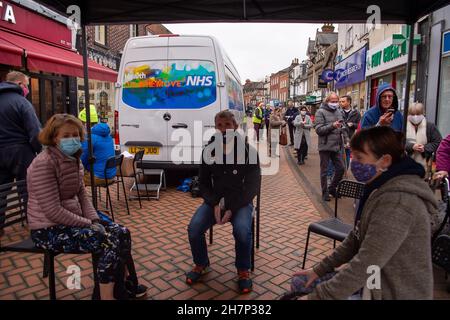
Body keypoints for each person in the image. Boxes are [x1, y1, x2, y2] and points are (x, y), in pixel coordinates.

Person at [293, 126, 437, 300]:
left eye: (360, 157)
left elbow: (367, 263)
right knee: (299, 283)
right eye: (353, 156)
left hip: (390, 291)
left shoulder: (398, 201)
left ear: (384, 161)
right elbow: (356, 238)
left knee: (301, 289)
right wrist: (319, 269)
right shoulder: (380, 186)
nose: (354, 163)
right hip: (375, 281)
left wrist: (317, 297)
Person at [26, 114, 147, 300]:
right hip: (48, 229)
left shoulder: (74, 159)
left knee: (122, 232)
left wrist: (95, 219)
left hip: (72, 219)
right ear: (53, 137)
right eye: (65, 136)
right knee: (107, 240)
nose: (72, 139)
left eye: (75, 135)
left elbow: (82, 195)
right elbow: (52, 210)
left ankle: (123, 285)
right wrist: (87, 224)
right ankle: (107, 297)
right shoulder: (44, 163)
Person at [186, 110, 261, 294]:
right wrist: (214, 204)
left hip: (241, 202)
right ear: (215, 128)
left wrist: (231, 207)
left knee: (242, 231)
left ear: (235, 126)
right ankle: (201, 263)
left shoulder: (249, 152)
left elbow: (252, 187)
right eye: (219, 126)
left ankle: (243, 270)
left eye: (227, 125)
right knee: (194, 229)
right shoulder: (208, 151)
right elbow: (202, 183)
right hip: (215, 202)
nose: (224, 129)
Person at [0, 71, 42, 234]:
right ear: (18, 84)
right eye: (26, 85)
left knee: (2, 190)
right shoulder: (22, 103)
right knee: (28, 189)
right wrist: (38, 150)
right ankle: (34, 224)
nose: (27, 89)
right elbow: (35, 132)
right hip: (21, 152)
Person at [314, 93, 348, 202]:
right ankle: (325, 193)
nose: (335, 103)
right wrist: (332, 126)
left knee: (341, 168)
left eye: (336, 101)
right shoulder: (320, 112)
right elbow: (319, 130)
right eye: (332, 101)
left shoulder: (338, 111)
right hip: (325, 145)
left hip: (336, 145)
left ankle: (332, 188)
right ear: (327, 101)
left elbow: (343, 127)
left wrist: (347, 140)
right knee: (324, 171)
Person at [79, 105, 116, 186]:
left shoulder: (89, 138)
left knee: (71, 178)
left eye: (80, 123)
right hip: (111, 175)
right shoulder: (107, 135)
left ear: (85, 123)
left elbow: (82, 160)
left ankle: (80, 198)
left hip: (98, 177)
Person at [405, 102, 442, 172]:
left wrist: (424, 148)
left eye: (418, 114)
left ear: (423, 114)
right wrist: (411, 146)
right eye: (412, 114)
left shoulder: (430, 127)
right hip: (405, 165)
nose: (415, 117)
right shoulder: (403, 125)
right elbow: (398, 142)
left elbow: (438, 142)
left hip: (426, 165)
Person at [340, 95, 361, 169]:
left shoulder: (356, 113)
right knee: (339, 155)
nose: (341, 103)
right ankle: (340, 171)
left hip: (350, 136)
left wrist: (353, 124)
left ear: (348, 102)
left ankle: (345, 169)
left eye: (343, 101)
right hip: (340, 136)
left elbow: (359, 125)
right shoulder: (338, 112)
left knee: (347, 154)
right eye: (340, 102)